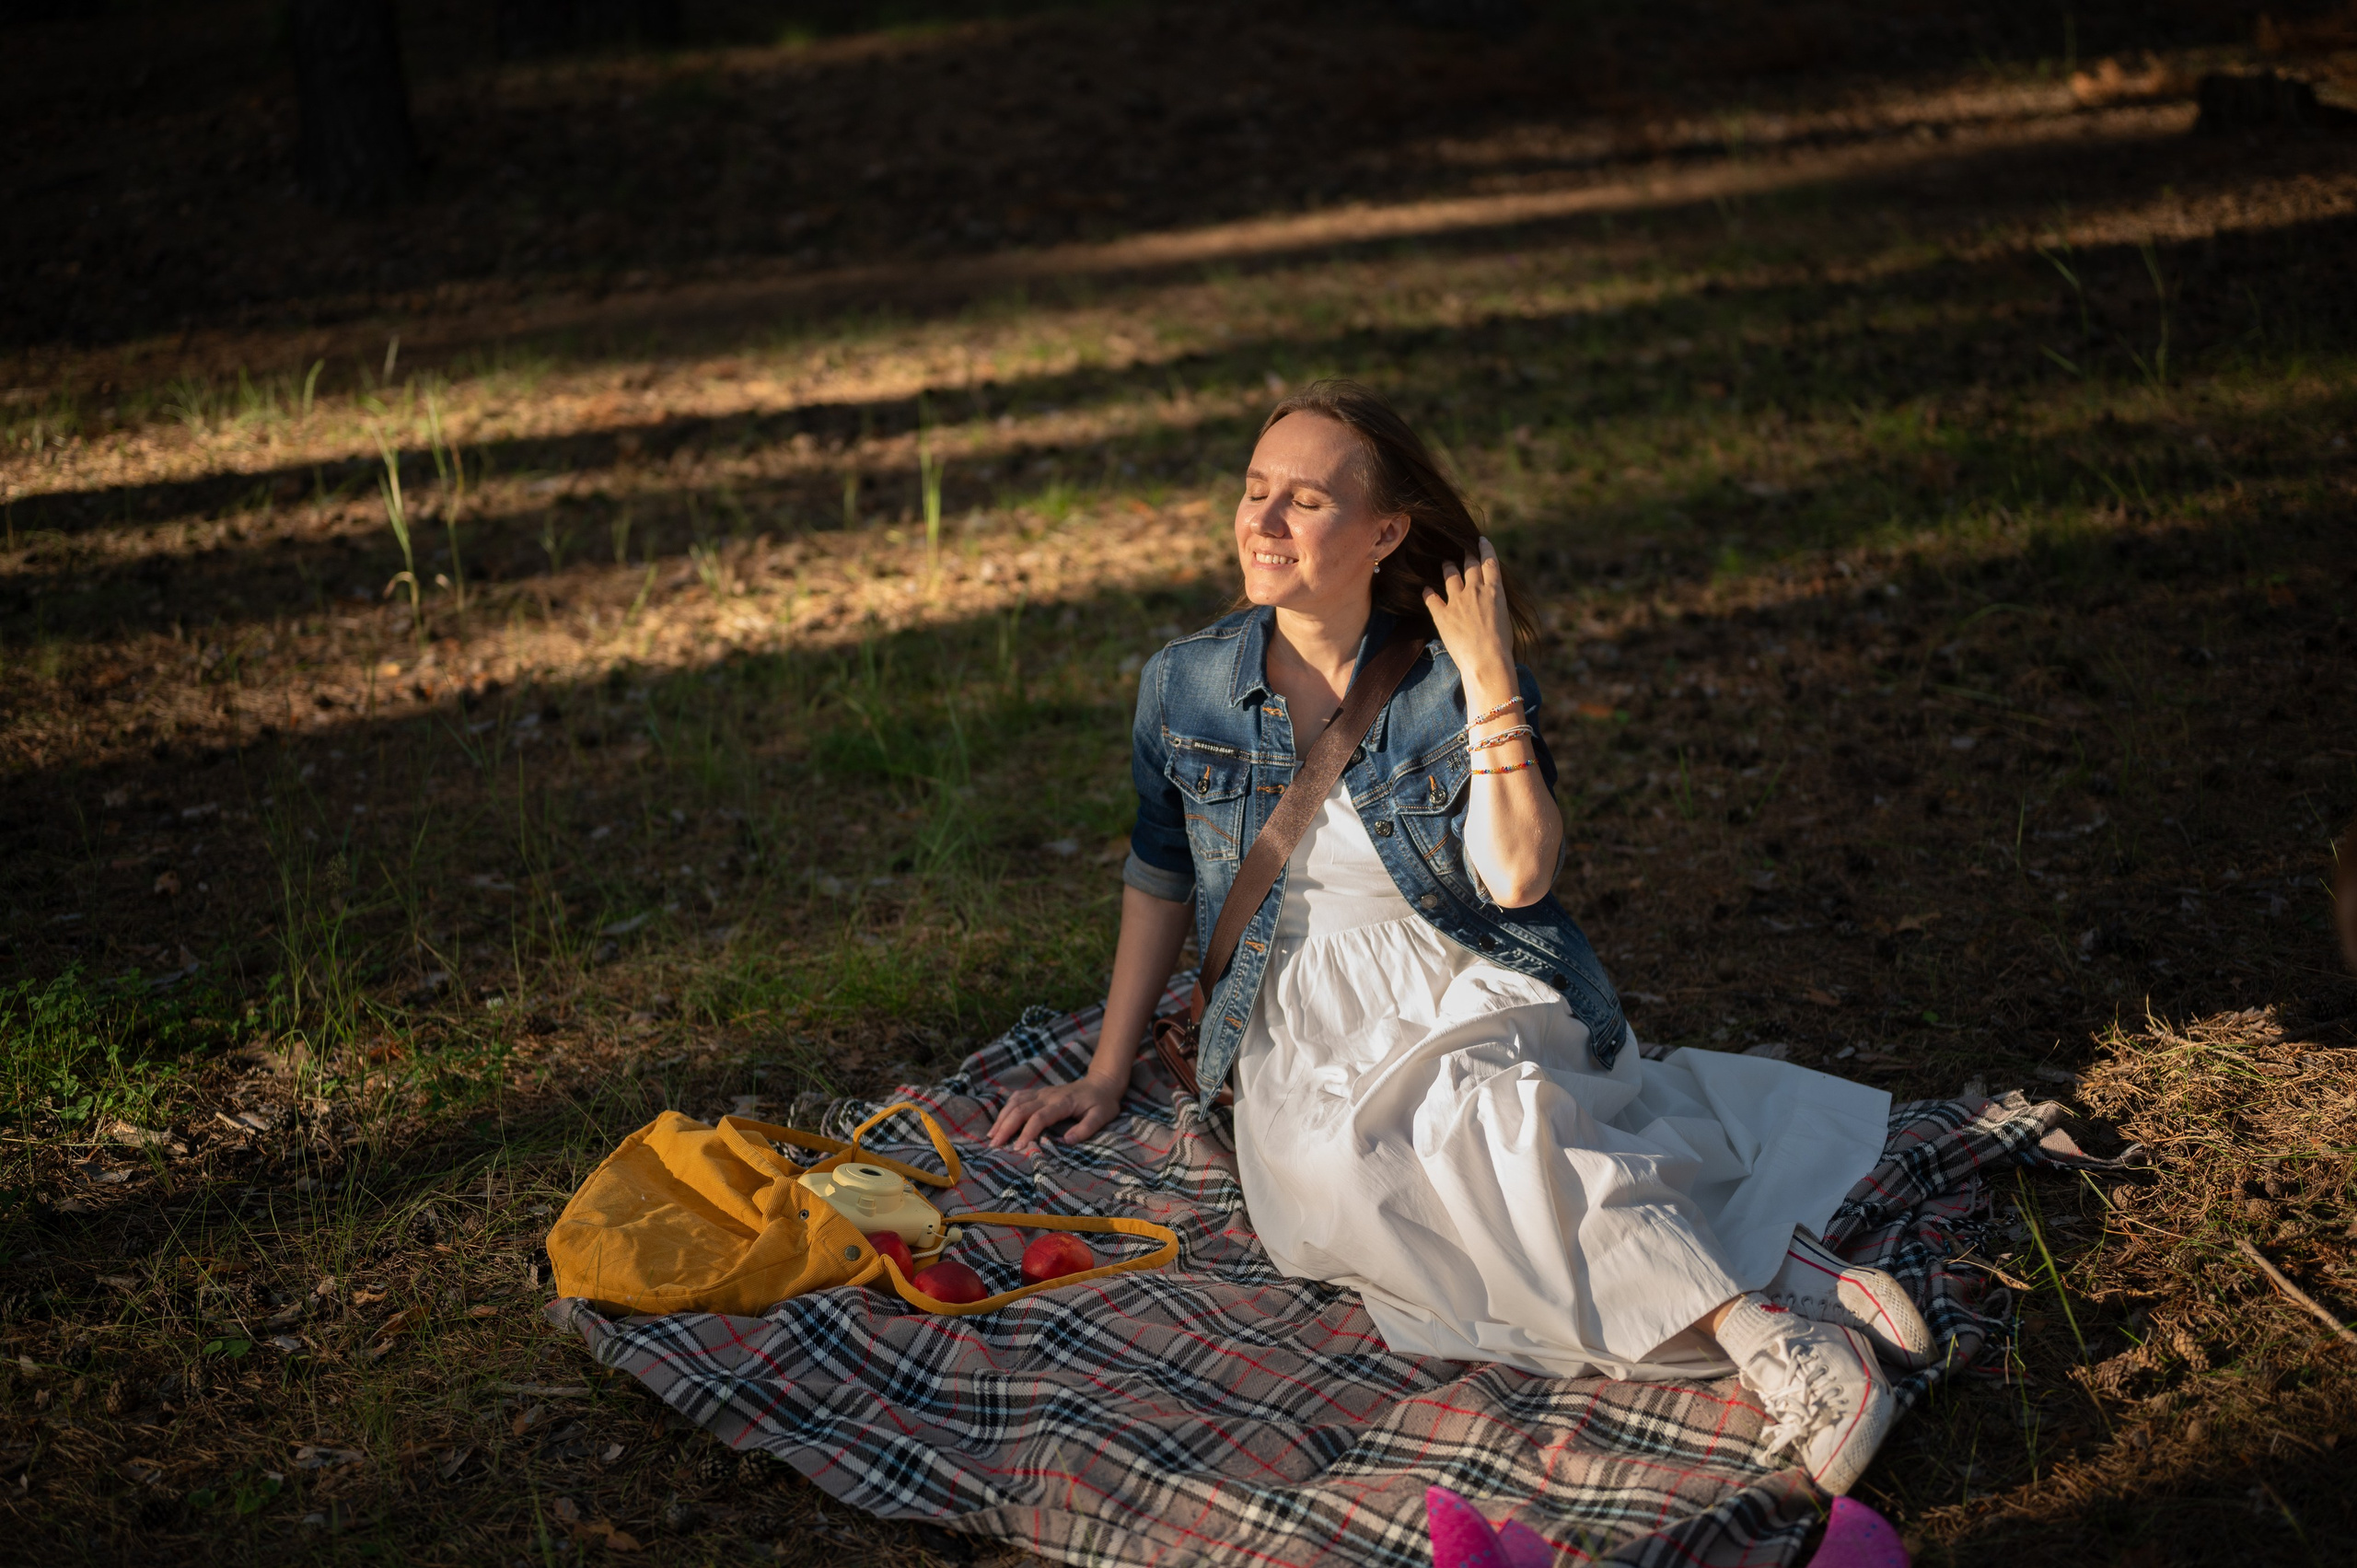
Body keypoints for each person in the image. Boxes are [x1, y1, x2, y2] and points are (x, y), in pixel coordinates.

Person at [988, 381, 1929, 1495]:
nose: (1264, 521)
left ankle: (1771, 1342)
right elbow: (1159, 876)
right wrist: (1108, 1066)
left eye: (1304, 499)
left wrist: (1486, 675)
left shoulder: (1446, 677)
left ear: (1385, 532)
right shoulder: (1185, 683)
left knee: (1487, 1117)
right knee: (1343, 1194)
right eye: (1254, 491)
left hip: (1465, 967)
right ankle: (1770, 1260)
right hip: (1293, 1009)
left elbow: (1519, 876)